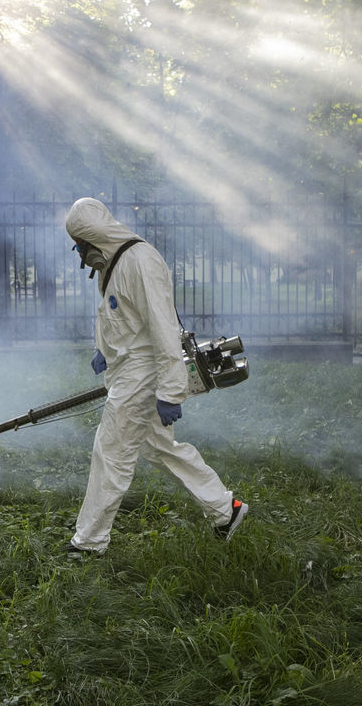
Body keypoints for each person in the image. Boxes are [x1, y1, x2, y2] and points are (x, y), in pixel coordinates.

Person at [62, 196, 247, 554]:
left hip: (143, 374)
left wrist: (171, 391)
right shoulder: (113, 263)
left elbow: (163, 329)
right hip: (129, 369)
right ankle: (226, 510)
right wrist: (104, 348)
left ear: (92, 237)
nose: (78, 252)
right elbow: (119, 315)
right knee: (160, 448)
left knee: (111, 451)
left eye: (80, 245)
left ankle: (89, 541)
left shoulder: (140, 260)